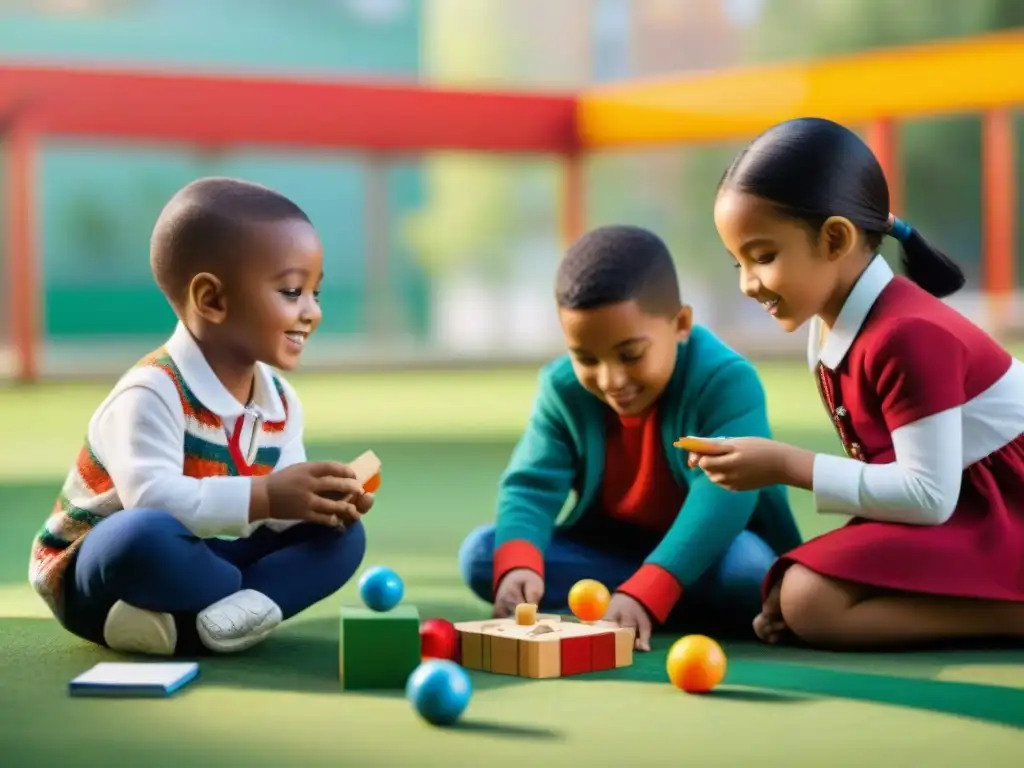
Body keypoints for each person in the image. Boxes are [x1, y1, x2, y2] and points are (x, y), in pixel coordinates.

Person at [697, 115, 1024, 650]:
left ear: (834, 239)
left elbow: (929, 495)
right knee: (798, 596)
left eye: (763, 257)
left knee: (807, 599)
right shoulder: (831, 323)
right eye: (736, 261)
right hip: (962, 501)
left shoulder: (906, 335)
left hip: (1003, 508)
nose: (747, 284)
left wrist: (784, 465)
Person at [28, 177, 372, 657]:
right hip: (104, 568)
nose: (312, 312)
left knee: (343, 538)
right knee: (142, 536)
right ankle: (224, 607)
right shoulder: (152, 391)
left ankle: (205, 619)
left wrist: (316, 502)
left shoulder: (281, 400)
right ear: (212, 300)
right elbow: (153, 501)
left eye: (316, 293)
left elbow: (271, 516)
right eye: (293, 291)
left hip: (207, 558)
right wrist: (269, 495)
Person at [458, 224, 803, 650]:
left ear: (680, 324)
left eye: (631, 354)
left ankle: (649, 597)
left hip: (716, 551)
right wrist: (518, 570)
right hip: (610, 556)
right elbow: (531, 486)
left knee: (748, 573)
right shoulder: (562, 389)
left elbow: (723, 496)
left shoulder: (726, 381)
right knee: (485, 555)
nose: (610, 380)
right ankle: (643, 603)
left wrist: (653, 584)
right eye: (585, 358)